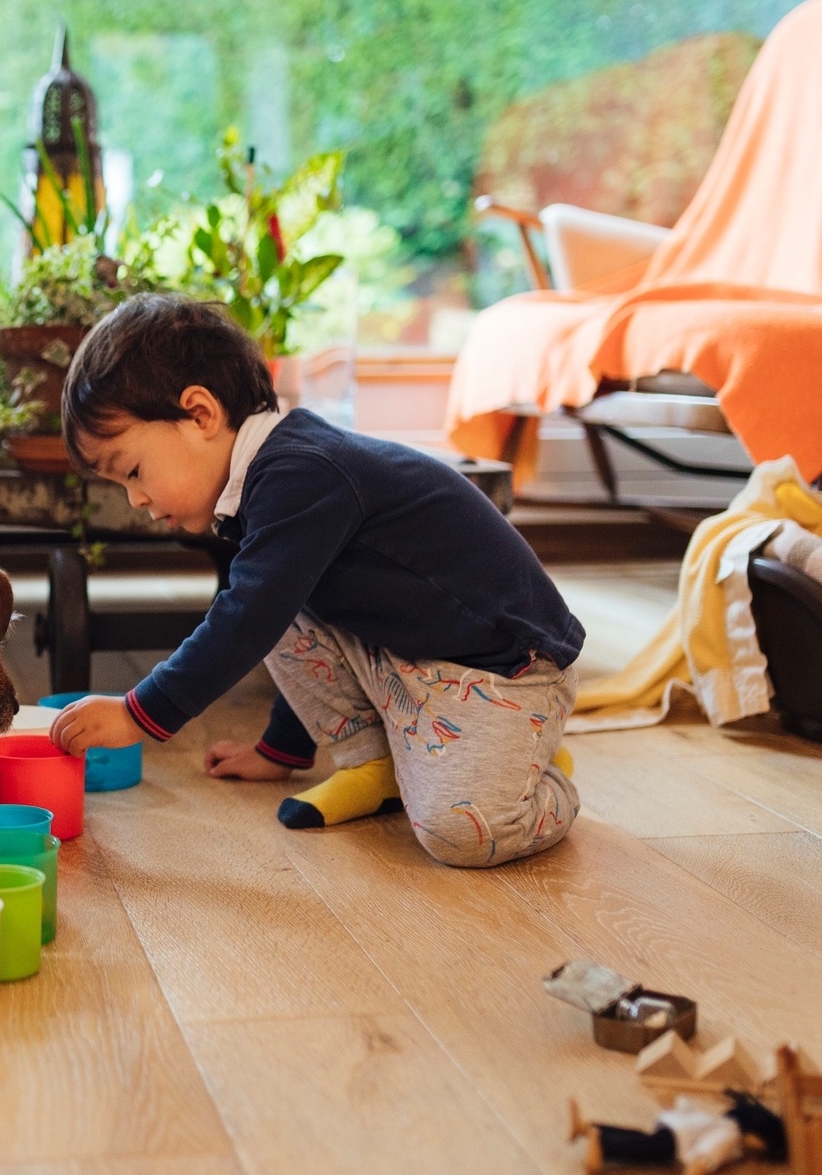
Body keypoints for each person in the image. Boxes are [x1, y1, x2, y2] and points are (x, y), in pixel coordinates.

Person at [46, 294, 584, 867]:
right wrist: (282, 750)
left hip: (509, 668)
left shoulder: (301, 472)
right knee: (271, 605)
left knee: (461, 834)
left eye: (133, 471)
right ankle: (379, 764)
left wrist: (139, 711)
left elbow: (250, 617)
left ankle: (532, 782)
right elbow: (290, 615)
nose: (137, 500)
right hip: (414, 656)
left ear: (201, 414)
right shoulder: (268, 490)